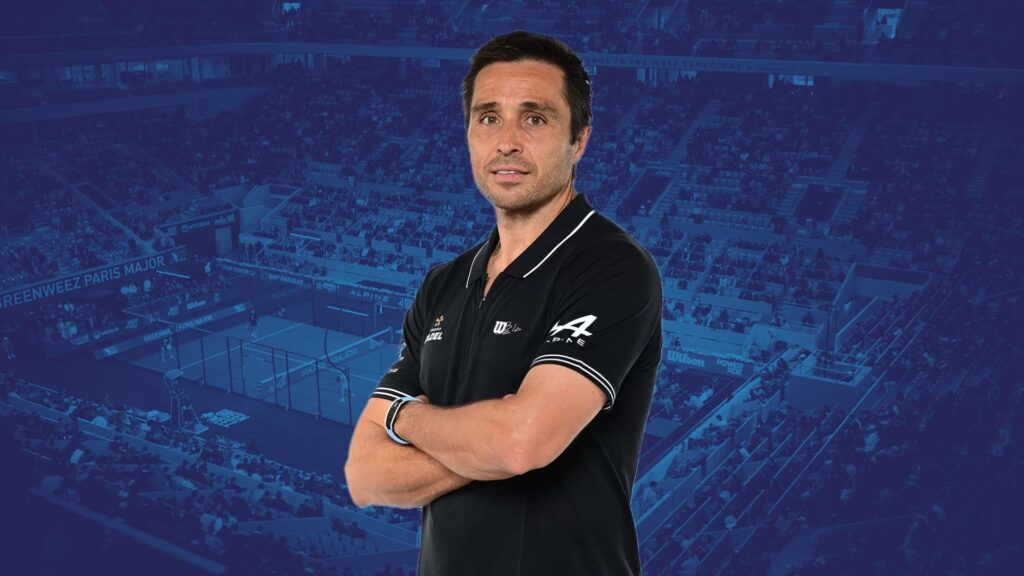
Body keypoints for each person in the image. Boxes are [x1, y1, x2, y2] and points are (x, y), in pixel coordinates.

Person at [344, 31, 663, 575]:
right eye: (488, 117)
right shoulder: (442, 284)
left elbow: (519, 444)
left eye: (535, 118)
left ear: (579, 140)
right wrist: (487, 444)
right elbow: (365, 473)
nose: (507, 141)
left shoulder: (612, 267)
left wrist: (404, 415)